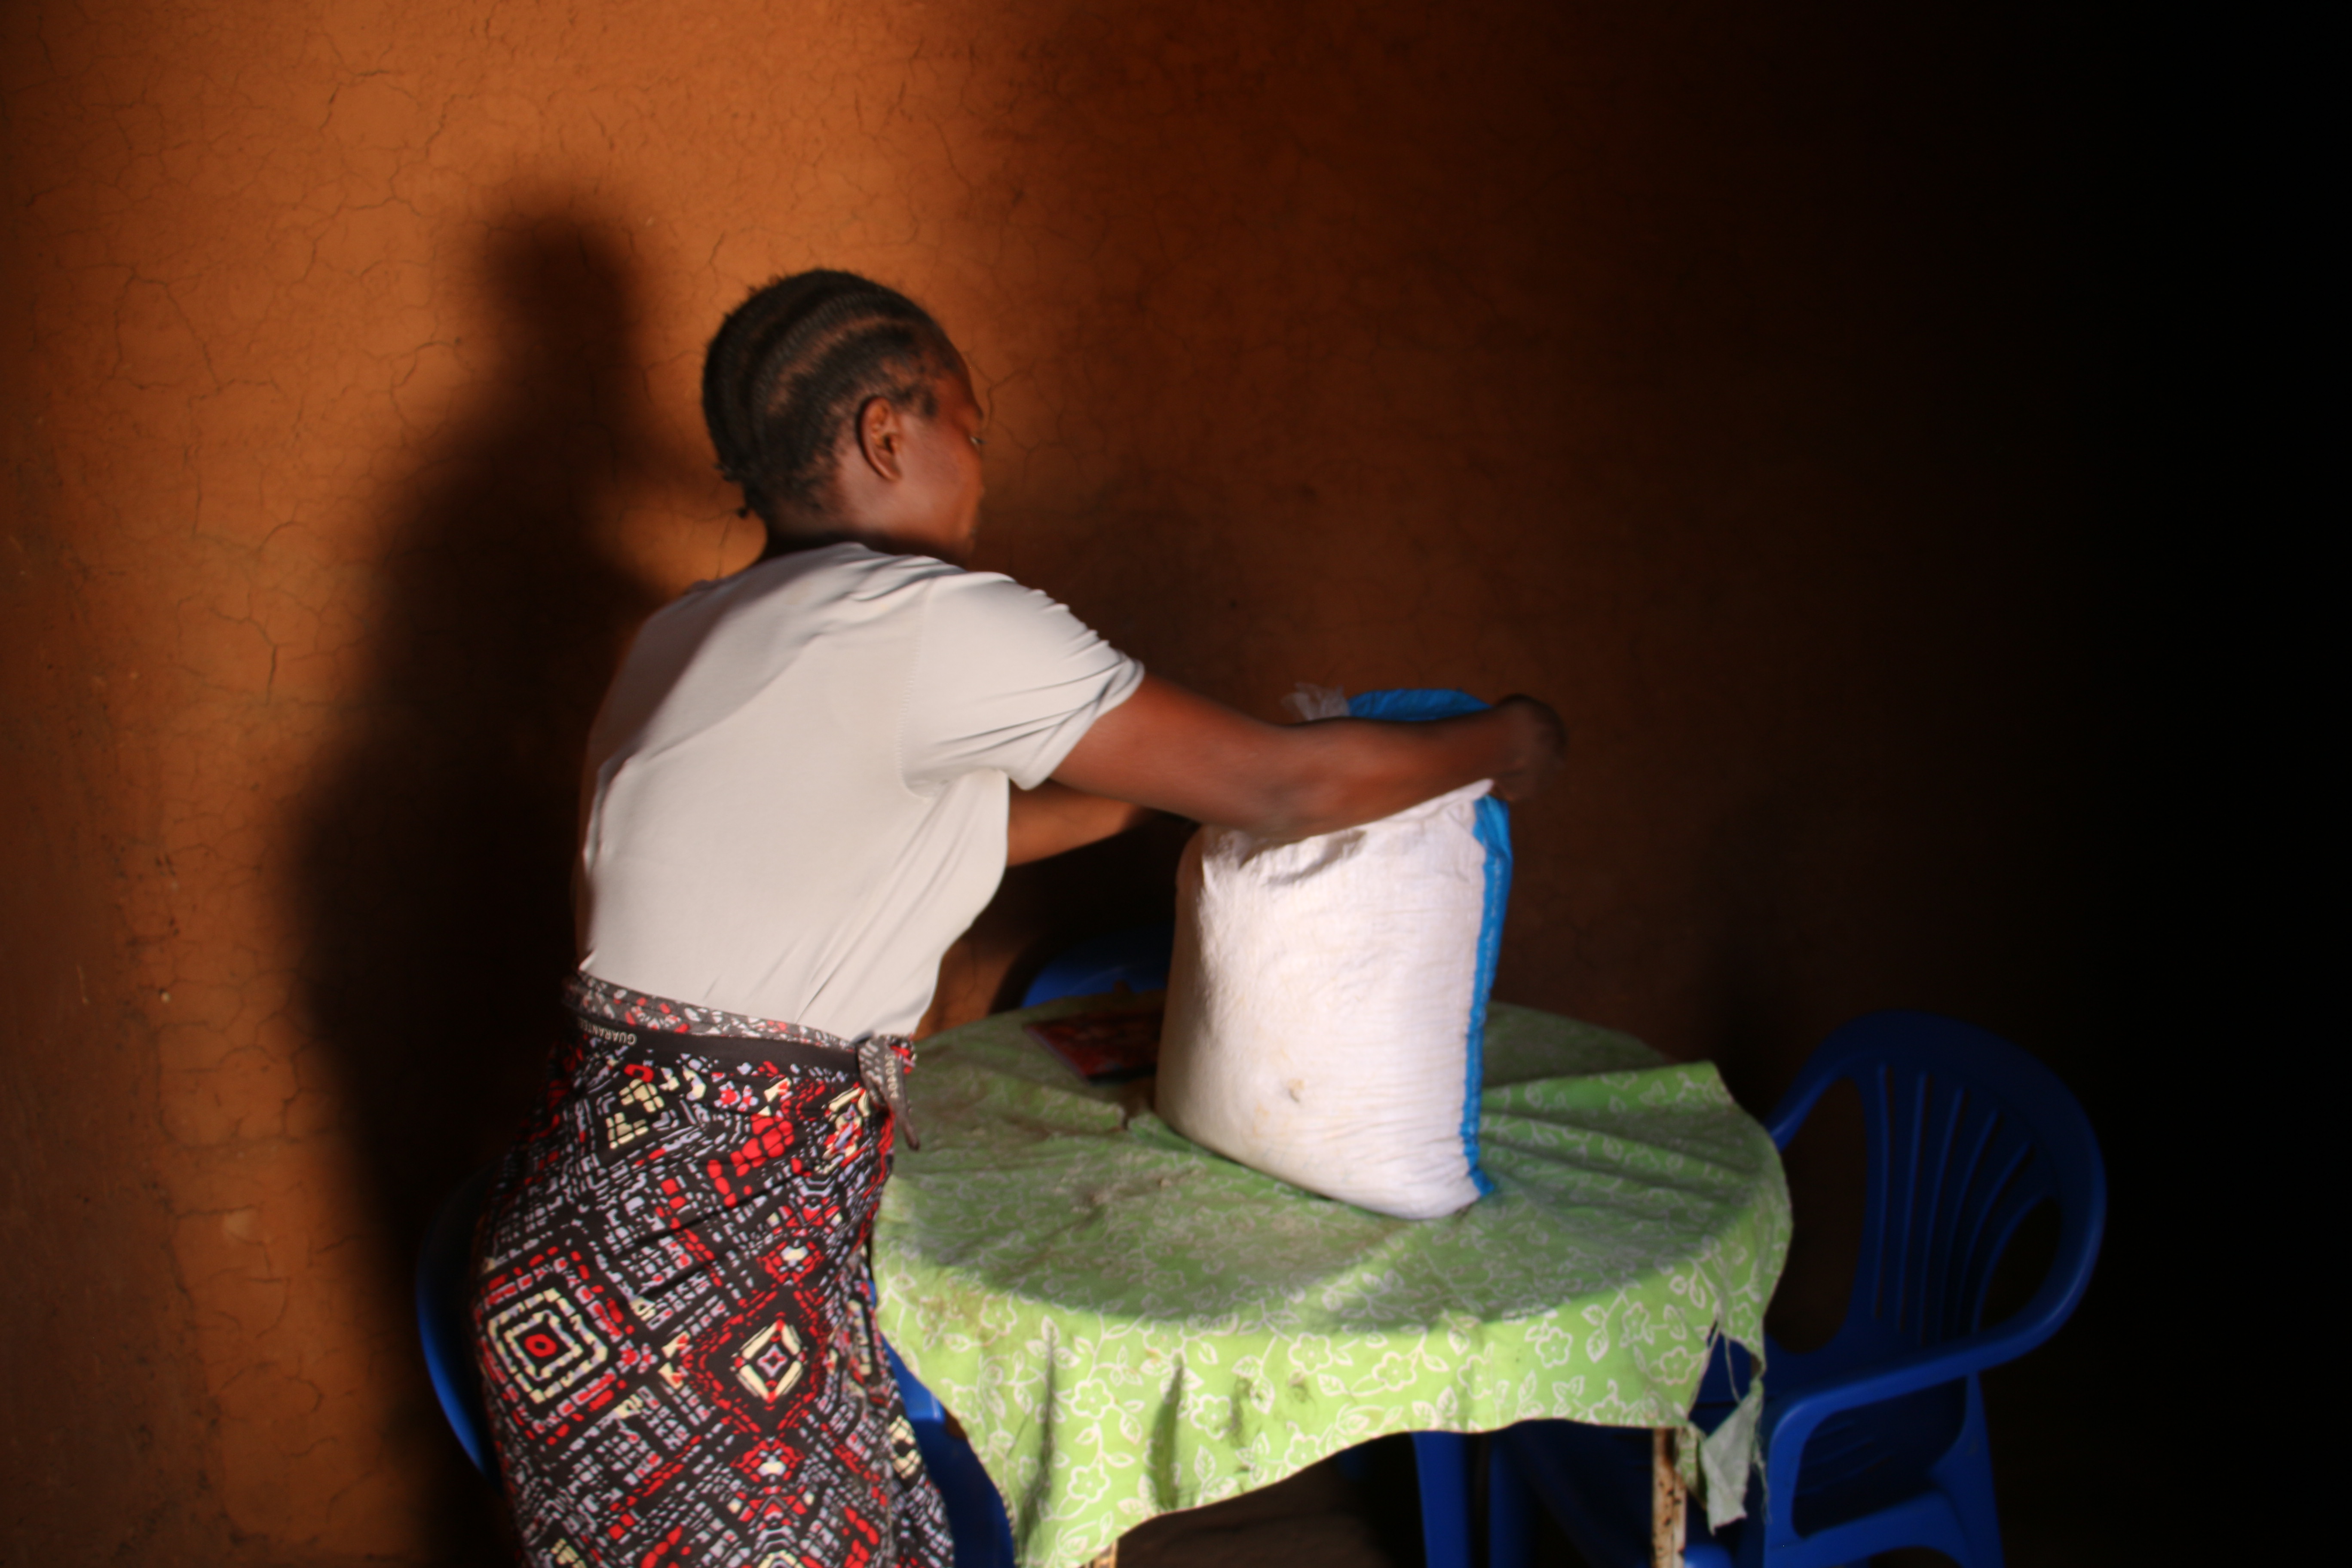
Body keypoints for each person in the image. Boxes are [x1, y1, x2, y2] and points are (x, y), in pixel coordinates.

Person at [467, 270, 1566, 1568]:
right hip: (701, 1278)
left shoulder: (688, 633)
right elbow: (1287, 782)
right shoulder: (927, 618)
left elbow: (937, 833)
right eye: (969, 430)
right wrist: (1507, 737)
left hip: (588, 1249)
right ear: (889, 433)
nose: (979, 472)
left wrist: (1163, 799)